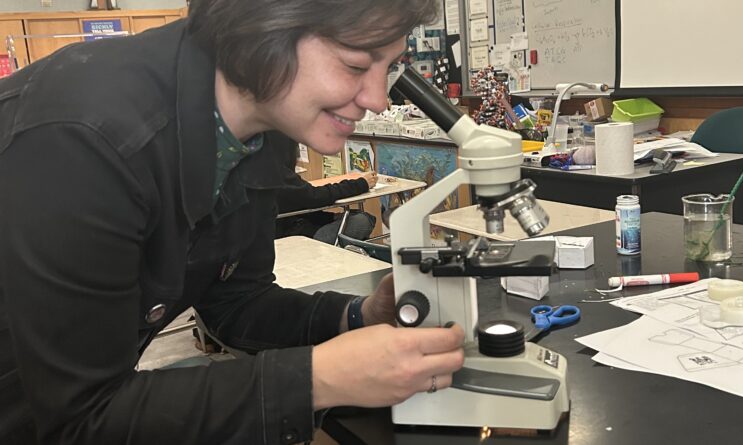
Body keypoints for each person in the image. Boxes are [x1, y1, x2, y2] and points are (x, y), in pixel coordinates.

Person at [0, 0, 465, 443]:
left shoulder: (260, 128)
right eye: (356, 66)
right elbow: (82, 419)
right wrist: (317, 379)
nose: (379, 100)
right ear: (266, 29)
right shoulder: (85, 139)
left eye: (391, 68)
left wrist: (357, 316)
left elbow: (237, 301)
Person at [276, 170, 379, 244]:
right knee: (363, 219)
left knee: (353, 215)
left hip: (288, 230)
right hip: (296, 239)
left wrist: (331, 217)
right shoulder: (277, 174)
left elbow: (297, 202)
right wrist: (361, 184)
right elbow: (314, 197)